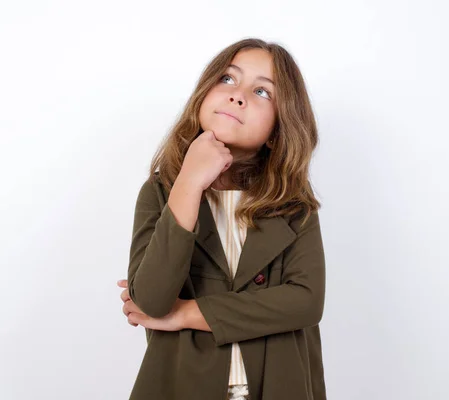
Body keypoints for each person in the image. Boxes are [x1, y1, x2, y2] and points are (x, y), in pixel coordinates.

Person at [117, 37, 327, 400]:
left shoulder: (294, 206)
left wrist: (186, 314)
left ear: (279, 129)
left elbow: (306, 301)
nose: (238, 95)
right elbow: (149, 301)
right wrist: (189, 182)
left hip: (280, 384)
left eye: (263, 91)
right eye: (228, 79)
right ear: (203, 94)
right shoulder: (160, 193)